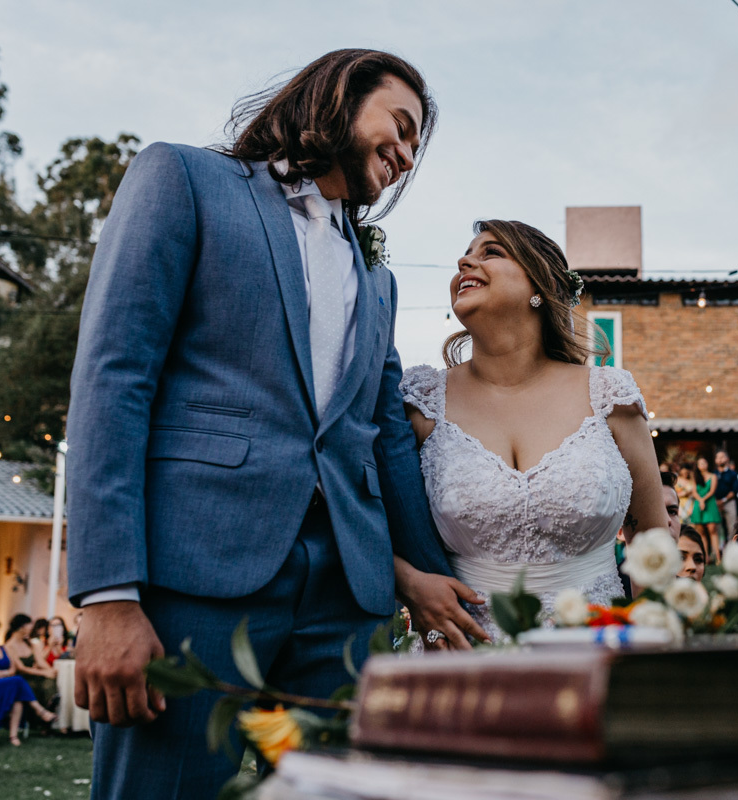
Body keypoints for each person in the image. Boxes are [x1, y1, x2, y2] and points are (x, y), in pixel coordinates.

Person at [65, 50, 464, 798]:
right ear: (341, 95)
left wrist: (423, 572)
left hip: (348, 594)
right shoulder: (185, 180)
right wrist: (108, 595)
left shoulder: (378, 276)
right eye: (402, 128)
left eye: (417, 148)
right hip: (194, 577)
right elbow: (113, 379)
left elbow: (380, 431)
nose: (407, 157)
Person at [400, 219, 667, 642]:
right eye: (468, 253)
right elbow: (368, 519)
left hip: (595, 647)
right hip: (463, 653)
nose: (464, 260)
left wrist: (655, 659)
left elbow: (653, 542)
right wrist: (410, 582)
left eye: (491, 252)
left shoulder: (609, 397)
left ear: (538, 285)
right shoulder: (423, 401)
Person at [0, 617, 57, 744]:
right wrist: (5, 674)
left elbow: (12, 669)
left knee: (18, 698)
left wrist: (2, 673)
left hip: (3, 684)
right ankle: (40, 710)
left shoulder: (2, 648)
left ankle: (13, 736)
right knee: (18, 681)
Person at [3, 614, 58, 710]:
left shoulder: (30, 643)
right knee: (34, 686)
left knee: (49, 683)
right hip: (22, 677)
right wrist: (44, 673)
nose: (32, 627)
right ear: (21, 627)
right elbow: (21, 668)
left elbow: (40, 661)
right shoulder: (9, 646)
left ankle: (51, 707)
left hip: (36, 674)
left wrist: (50, 670)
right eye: (30, 624)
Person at [688, 456, 722, 564]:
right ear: (697, 466)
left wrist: (703, 500)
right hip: (699, 504)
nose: (703, 464)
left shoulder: (713, 476)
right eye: (700, 463)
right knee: (701, 532)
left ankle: (718, 557)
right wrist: (700, 500)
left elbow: (712, 491)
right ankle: (705, 557)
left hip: (710, 503)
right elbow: (694, 491)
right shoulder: (695, 477)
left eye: (704, 462)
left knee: (712, 530)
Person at [714, 450, 738, 537]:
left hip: (729, 502)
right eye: (718, 457)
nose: (720, 459)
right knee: (716, 528)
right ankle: (718, 549)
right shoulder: (713, 474)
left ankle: (731, 547)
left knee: (732, 527)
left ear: (727, 459)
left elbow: (734, 490)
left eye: (722, 457)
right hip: (715, 503)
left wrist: (723, 500)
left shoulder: (733, 474)